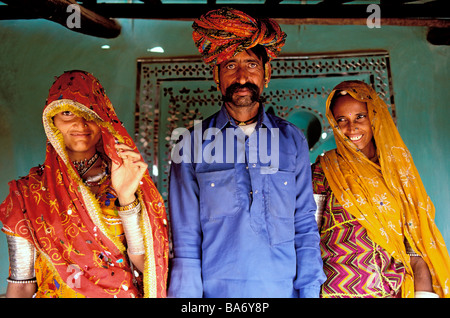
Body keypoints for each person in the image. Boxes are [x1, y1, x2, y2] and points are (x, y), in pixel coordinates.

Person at [167, 7, 326, 298]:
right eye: (230, 66)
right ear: (216, 76)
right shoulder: (189, 145)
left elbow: (304, 224)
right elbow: (185, 238)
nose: (242, 77)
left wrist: (310, 290)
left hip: (284, 290)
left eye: (251, 65)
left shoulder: (292, 140)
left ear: (266, 73)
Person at [0, 70, 169, 298]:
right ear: (52, 120)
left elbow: (145, 266)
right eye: (68, 113)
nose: (80, 124)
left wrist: (126, 196)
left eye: (90, 113)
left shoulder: (126, 178)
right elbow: (21, 284)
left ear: (103, 120)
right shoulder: (27, 194)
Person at [312, 80, 450, 298]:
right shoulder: (325, 170)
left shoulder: (397, 172)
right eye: (342, 120)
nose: (352, 127)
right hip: (333, 290)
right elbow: (307, 235)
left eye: (360, 116)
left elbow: (415, 248)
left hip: (389, 291)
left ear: (374, 115)